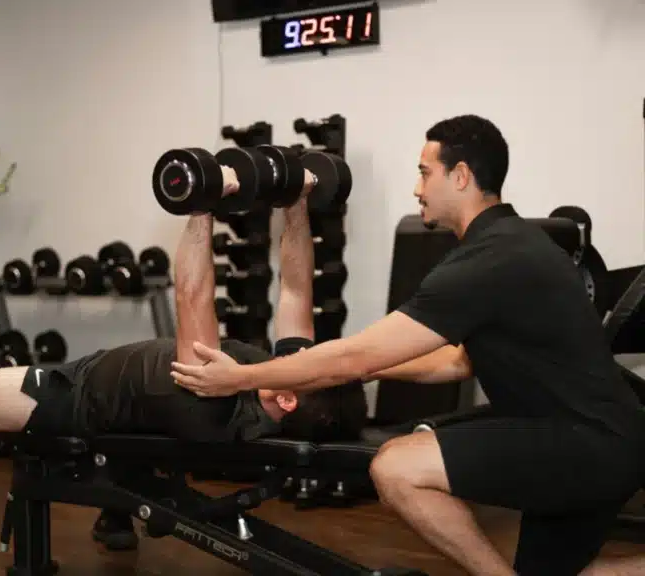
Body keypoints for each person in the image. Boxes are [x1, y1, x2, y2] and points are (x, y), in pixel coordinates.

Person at [171, 115, 645, 576]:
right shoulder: (515, 243)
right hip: (604, 439)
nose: (417, 188)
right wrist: (370, 368)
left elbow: (356, 356)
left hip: (582, 444)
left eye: (425, 172)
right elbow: (456, 363)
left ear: (461, 176)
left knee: (397, 467)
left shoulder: (487, 261)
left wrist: (240, 377)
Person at [0, 172, 368, 549]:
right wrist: (296, 202)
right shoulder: (281, 380)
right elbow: (295, 289)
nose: (305, 356)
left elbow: (192, 293)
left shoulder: (214, 397)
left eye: (308, 366)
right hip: (123, 395)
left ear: (287, 400)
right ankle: (115, 511)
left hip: (72, 392)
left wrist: (202, 205)